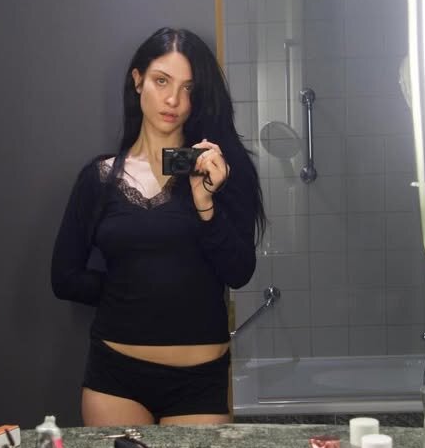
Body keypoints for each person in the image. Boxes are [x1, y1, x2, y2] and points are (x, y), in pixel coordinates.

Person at [51, 27, 265, 427]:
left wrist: (205, 204)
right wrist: (134, 289)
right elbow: (63, 278)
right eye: (161, 81)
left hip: (199, 380)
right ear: (138, 81)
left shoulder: (220, 170)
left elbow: (239, 272)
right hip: (116, 374)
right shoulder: (99, 178)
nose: (173, 100)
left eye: (188, 88)